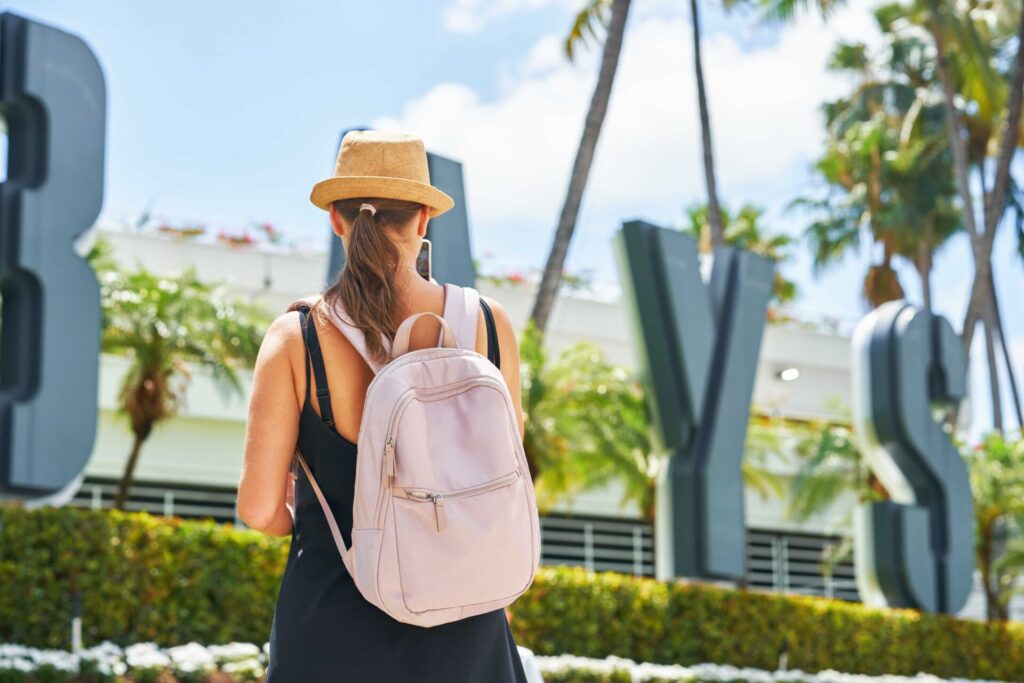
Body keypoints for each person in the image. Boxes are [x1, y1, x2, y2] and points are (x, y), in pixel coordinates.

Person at [236, 129, 530, 682]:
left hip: (330, 627)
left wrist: (312, 517)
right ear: (423, 219)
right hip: (464, 626)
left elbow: (257, 509)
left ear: (336, 220)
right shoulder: (489, 325)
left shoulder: (297, 336)